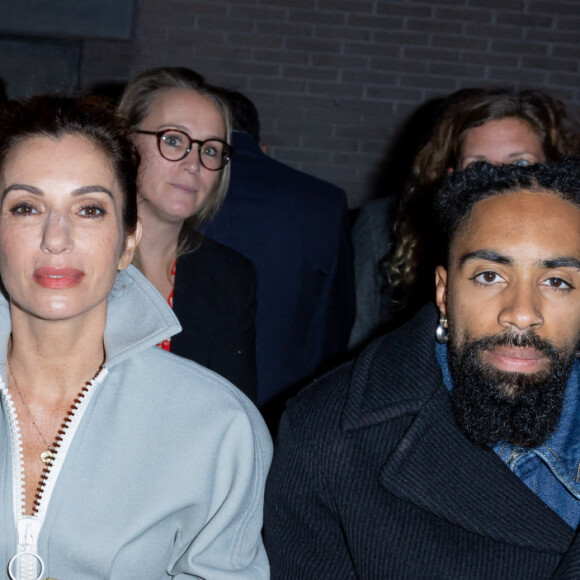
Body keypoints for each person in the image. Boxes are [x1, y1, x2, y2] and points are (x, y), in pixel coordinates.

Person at [264, 159, 580, 578]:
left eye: (556, 281)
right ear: (444, 292)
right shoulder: (327, 438)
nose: (522, 314)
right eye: (490, 276)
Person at [0, 94, 271, 579]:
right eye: (25, 207)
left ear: (129, 240)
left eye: (89, 210)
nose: (55, 238)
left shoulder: (218, 428)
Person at [350, 88, 580, 349]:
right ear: (451, 175)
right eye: (478, 167)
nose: (498, 182)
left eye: (520, 166)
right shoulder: (380, 226)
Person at [203, 89, 355, 415]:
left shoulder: (174, 188)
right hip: (278, 406)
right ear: (262, 148)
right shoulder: (322, 201)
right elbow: (333, 326)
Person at [117, 67, 258, 401]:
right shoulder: (73, 255)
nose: (193, 163)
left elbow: (234, 414)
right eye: (174, 140)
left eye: (209, 149)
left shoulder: (230, 276)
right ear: (124, 143)